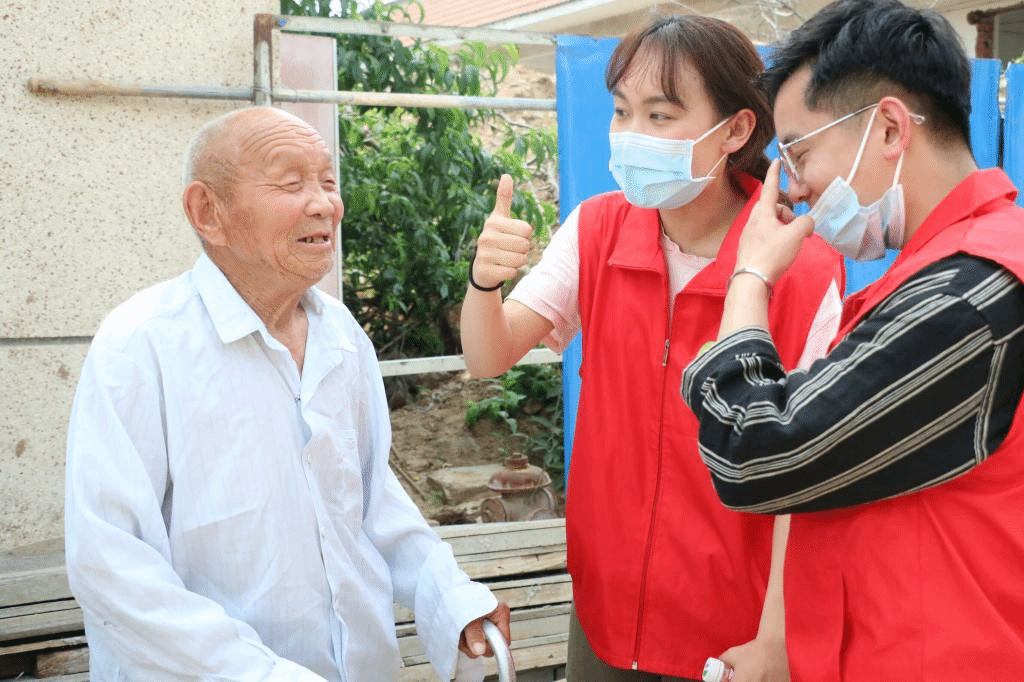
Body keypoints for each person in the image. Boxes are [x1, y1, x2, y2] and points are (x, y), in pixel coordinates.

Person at [64, 106, 510, 682]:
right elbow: (110, 565)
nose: (324, 204)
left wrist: (450, 599)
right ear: (208, 212)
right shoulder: (141, 345)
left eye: (328, 181)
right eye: (290, 182)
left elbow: (369, 501)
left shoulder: (341, 335)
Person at [461, 15, 844, 682]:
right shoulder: (596, 231)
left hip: (733, 632)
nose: (632, 134)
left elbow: (804, 476)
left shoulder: (803, 270)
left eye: (660, 115)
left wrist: (775, 638)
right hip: (607, 614)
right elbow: (487, 355)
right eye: (621, 111)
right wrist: (484, 280)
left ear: (736, 130)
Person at [680, 1, 1024, 679]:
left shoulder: (967, 296)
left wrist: (749, 276)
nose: (796, 188)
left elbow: (756, 452)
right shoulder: (937, 276)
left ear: (890, 128)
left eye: (800, 153)